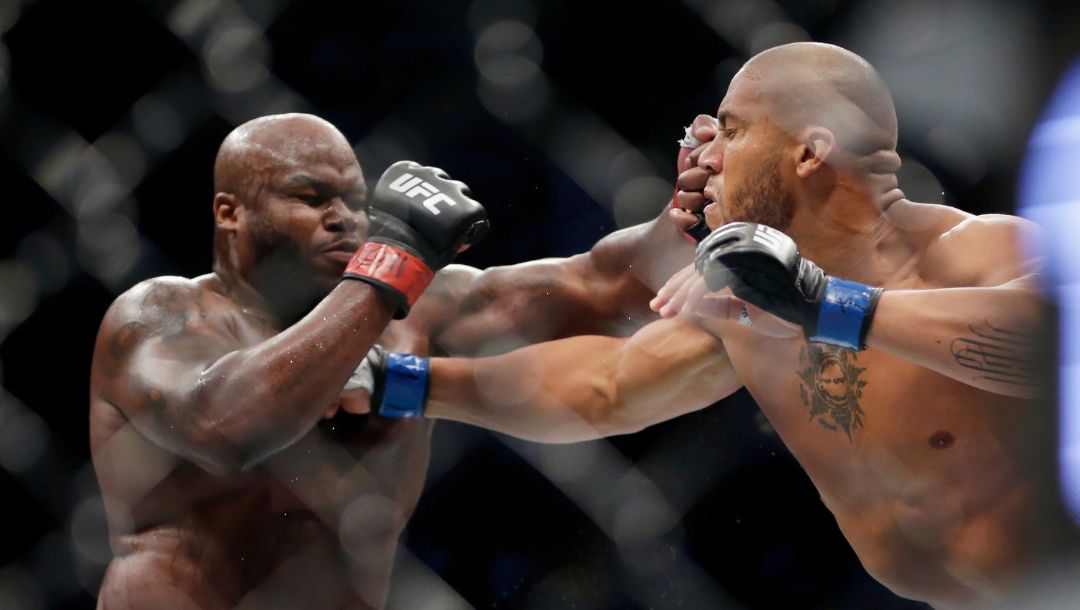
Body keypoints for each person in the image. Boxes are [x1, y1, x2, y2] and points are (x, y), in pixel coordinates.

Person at [389, 43, 1068, 609]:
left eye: (733, 130)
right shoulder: (747, 303)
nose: (706, 155)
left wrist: (822, 303)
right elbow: (610, 386)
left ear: (809, 153)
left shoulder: (967, 253)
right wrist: (412, 385)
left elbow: (1053, 339)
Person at [89, 113, 701, 609]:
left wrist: (685, 219)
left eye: (356, 202)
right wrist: (390, 265)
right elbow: (226, 426)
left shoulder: (421, 312)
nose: (344, 220)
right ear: (230, 213)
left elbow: (598, 287)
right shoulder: (161, 315)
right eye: (310, 198)